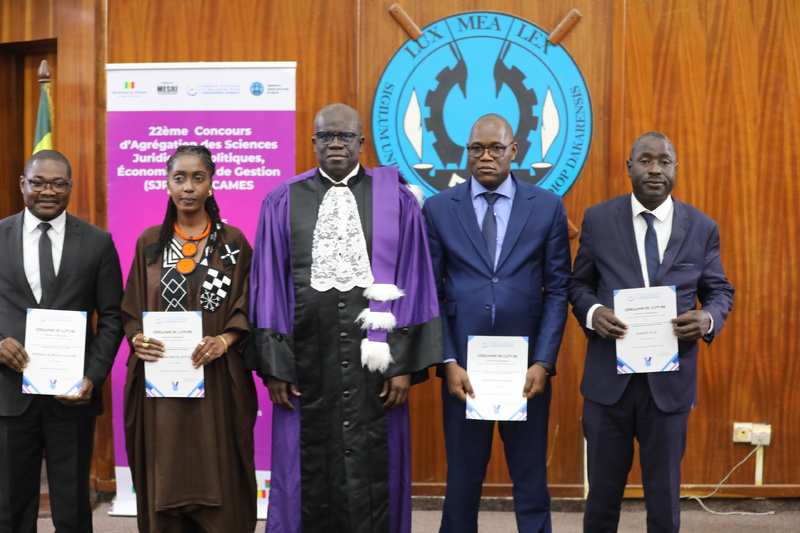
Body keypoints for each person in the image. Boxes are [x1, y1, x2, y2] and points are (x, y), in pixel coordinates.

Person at [248, 103, 442, 533]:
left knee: (376, 470)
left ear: (361, 142)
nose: (336, 143)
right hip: (305, 360)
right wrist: (276, 367)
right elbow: (268, 284)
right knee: (304, 471)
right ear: (313, 142)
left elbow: (415, 276)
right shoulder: (282, 201)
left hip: (374, 367)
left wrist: (403, 365)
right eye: (326, 136)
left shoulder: (398, 201)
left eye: (345, 136)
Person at [570, 132, 735, 532]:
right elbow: (578, 285)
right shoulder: (598, 219)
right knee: (603, 497)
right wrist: (593, 313)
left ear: (676, 168)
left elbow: (719, 291)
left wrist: (707, 319)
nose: (655, 169)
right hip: (608, 384)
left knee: (664, 498)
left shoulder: (700, 226)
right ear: (629, 168)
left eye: (664, 161)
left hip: (669, 385)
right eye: (645, 160)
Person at [422, 114, 571, 533]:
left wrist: (544, 362)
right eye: (476, 149)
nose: (485, 157)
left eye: (495, 149)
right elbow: (429, 293)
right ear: (466, 151)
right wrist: (447, 360)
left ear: (514, 152)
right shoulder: (437, 208)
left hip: (526, 370)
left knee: (529, 479)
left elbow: (558, 290)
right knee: (463, 479)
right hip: (463, 369)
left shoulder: (546, 206)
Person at [122, 145, 257, 532]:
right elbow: (131, 310)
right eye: (179, 178)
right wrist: (137, 339)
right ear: (166, 185)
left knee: (219, 472)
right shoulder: (150, 243)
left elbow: (249, 305)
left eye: (198, 178)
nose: (188, 187)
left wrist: (226, 341)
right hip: (161, 387)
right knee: (167, 470)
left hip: (215, 383)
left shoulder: (232, 243)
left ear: (211, 185)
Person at [0, 149, 124, 532]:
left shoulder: (97, 242)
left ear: (70, 187)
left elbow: (114, 317)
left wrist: (93, 375)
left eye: (57, 183)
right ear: (23, 185)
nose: (47, 191)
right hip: (8, 394)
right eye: (38, 182)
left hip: (72, 395)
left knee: (71, 508)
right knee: (9, 507)